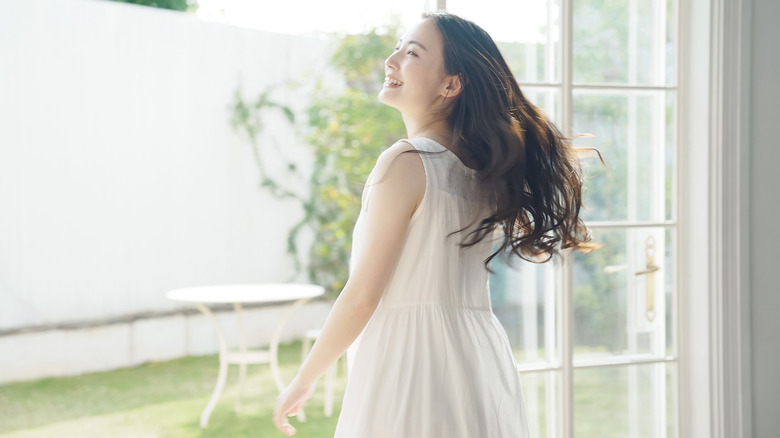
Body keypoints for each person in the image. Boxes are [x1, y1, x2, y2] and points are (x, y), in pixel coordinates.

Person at [273, 11, 601, 437]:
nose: (391, 61)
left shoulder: (407, 161)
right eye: (397, 48)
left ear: (451, 84)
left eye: (411, 53)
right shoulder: (480, 172)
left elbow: (362, 295)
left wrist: (304, 377)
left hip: (411, 363)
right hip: (476, 357)